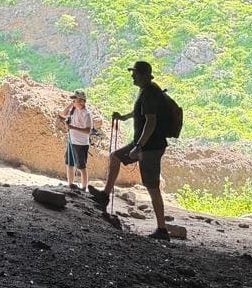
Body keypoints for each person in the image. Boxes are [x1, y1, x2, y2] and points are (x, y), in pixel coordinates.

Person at [91, 61, 178, 240]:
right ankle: (105, 195)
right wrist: (124, 117)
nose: (132, 76)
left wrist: (138, 147)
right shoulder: (148, 90)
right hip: (145, 143)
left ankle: (162, 230)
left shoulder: (149, 93)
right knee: (115, 157)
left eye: (135, 73)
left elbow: (151, 121)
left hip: (150, 146)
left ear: (145, 75)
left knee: (152, 187)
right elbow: (140, 111)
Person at [61, 90, 94, 190]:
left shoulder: (86, 114)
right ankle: (70, 184)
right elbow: (62, 114)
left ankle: (84, 188)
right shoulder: (73, 110)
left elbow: (88, 130)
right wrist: (72, 104)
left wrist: (72, 128)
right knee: (69, 164)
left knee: (81, 167)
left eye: (75, 100)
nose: (73, 101)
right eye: (73, 100)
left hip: (81, 144)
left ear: (82, 102)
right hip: (72, 141)